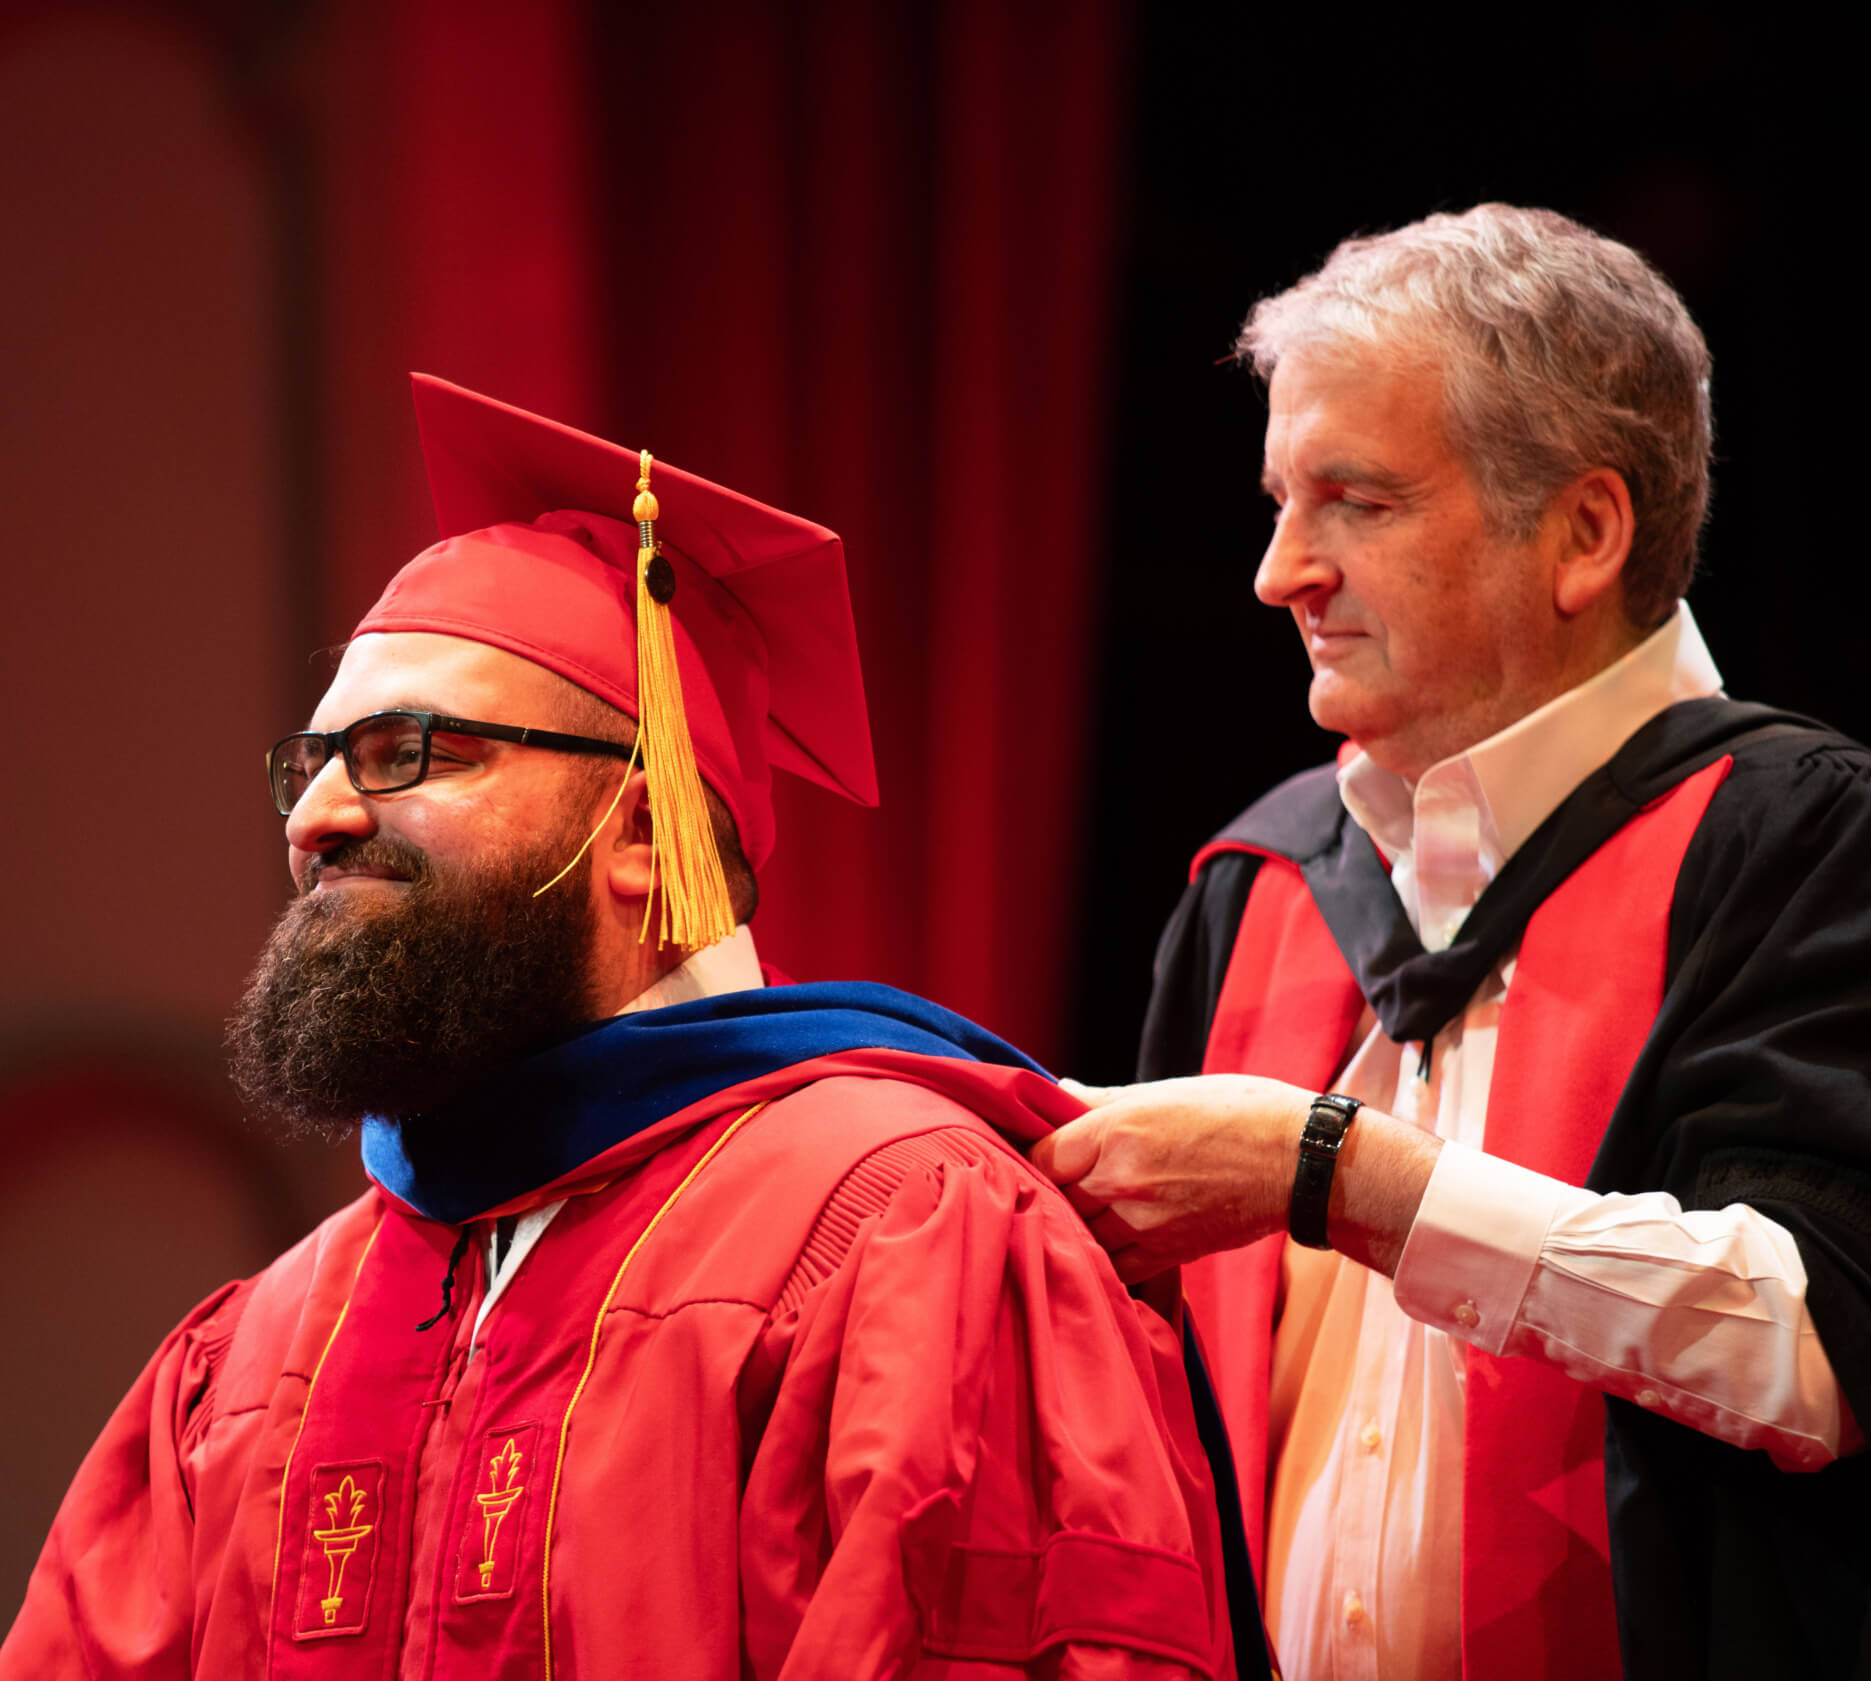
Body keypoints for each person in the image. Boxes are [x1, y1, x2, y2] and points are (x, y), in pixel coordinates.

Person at [1, 375, 1237, 1680]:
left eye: (409, 748)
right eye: (307, 764)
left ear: (641, 834)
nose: (315, 816)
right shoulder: (254, 1347)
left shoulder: (905, 1222)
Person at [1032, 205, 1871, 1680]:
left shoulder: (1812, 845)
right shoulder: (1259, 884)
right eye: (1277, 501)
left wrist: (1340, 1174)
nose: (1278, 572)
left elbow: (1828, 1351)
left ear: (1585, 531)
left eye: (1354, 503)